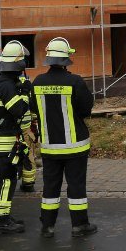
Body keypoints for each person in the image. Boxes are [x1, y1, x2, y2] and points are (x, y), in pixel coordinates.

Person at [31, 37, 96, 238]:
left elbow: (34, 109)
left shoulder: (37, 82)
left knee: (50, 186)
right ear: (66, 59)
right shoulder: (75, 81)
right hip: (75, 146)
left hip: (50, 146)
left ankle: (47, 227)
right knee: (76, 186)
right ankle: (79, 226)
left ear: (49, 59)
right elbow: (86, 109)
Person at [0, 41, 37, 234]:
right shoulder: (6, 85)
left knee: (5, 181)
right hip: (4, 143)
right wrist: (25, 93)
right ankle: (1, 222)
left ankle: (4, 216)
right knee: (5, 182)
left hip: (1, 140)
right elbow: (18, 109)